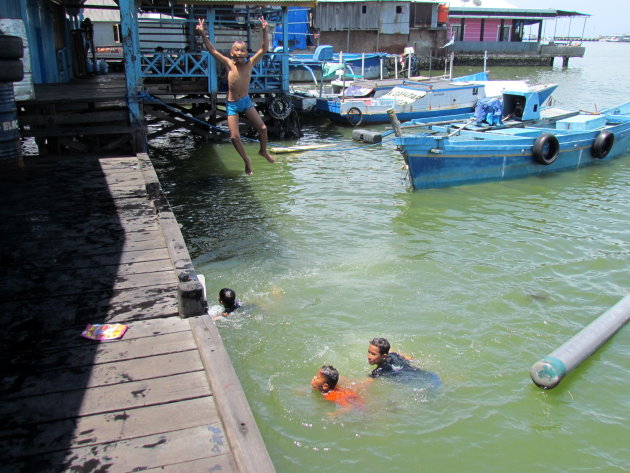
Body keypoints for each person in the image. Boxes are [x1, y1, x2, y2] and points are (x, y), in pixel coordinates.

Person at [196, 17, 275, 175]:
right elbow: (212, 50)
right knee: (234, 137)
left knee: (263, 128)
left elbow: (264, 48)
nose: (239, 53)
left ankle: (263, 151)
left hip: (246, 102)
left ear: (246, 52)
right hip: (232, 104)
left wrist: (265, 30)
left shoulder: (250, 63)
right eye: (236, 50)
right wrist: (203, 33)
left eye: (242, 50)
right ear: (231, 53)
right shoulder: (228, 63)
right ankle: (247, 160)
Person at [367, 337, 441, 388]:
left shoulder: (379, 371)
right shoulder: (393, 355)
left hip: (417, 381)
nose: (369, 356)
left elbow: (367, 382)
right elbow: (409, 358)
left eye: (373, 354)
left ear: (384, 356)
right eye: (369, 352)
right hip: (421, 372)